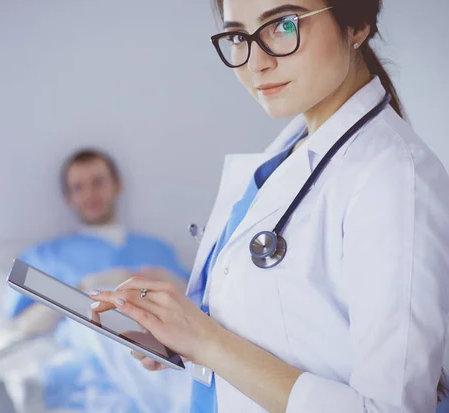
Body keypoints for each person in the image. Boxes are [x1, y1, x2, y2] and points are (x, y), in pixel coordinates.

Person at [89, 1, 449, 412]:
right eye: (239, 36)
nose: (255, 63)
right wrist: (180, 337)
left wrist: (204, 341)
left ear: (357, 24)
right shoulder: (292, 151)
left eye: (282, 25)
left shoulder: (393, 178)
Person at [7, 148, 192, 412]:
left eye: (98, 182)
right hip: (94, 349)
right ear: (68, 197)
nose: (90, 194)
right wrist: (81, 291)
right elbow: (23, 327)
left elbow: (194, 301)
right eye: (79, 187)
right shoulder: (46, 256)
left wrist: (154, 279)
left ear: (117, 185)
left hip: (159, 339)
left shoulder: (157, 250)